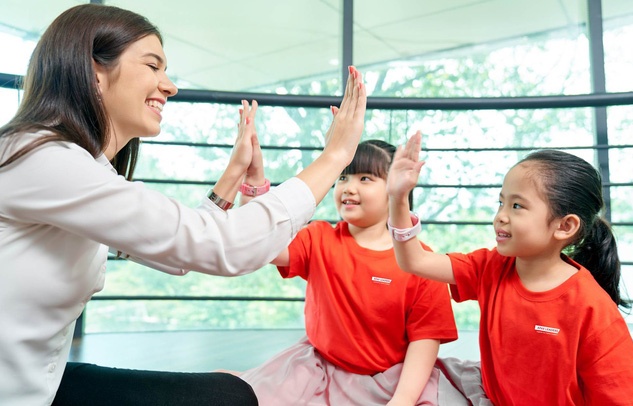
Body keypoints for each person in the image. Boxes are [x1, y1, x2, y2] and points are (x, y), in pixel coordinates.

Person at [0, 4, 367, 406]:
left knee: (229, 390)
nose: (170, 86)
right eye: (152, 66)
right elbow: (223, 246)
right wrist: (335, 157)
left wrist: (235, 173)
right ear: (94, 73)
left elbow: (177, 252)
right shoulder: (45, 160)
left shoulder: (72, 168)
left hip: (41, 378)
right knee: (230, 398)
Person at [386, 132, 633, 405]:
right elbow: (414, 260)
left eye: (516, 206)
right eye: (501, 203)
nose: (500, 216)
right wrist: (398, 197)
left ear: (565, 226)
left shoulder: (592, 308)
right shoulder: (491, 267)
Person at [238, 139, 459, 405]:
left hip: (393, 379)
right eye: (343, 177)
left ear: (396, 188)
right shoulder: (319, 238)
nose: (348, 187)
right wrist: (253, 182)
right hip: (318, 369)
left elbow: (425, 340)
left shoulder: (421, 262)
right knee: (246, 394)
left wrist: (403, 399)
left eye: (365, 178)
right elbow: (262, 243)